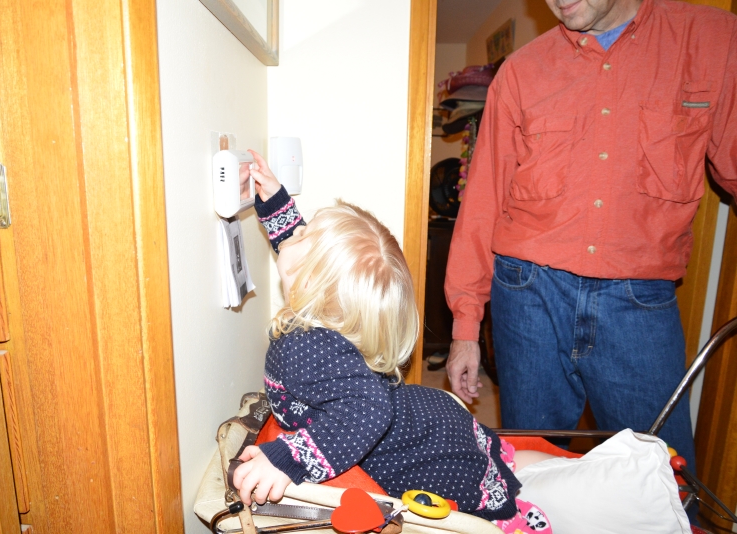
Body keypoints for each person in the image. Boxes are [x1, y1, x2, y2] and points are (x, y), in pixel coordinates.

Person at [444, 0, 737, 481]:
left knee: (661, 475)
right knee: (532, 470)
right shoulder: (521, 71)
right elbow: (482, 202)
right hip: (528, 295)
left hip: (638, 301)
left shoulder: (713, 41)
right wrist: (465, 328)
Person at [231, 150, 557, 528]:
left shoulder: (305, 346)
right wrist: (274, 200)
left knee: (508, 503)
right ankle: (575, 467)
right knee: (512, 462)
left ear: (308, 281)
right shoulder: (325, 308)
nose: (294, 232)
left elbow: (369, 409)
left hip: (423, 454)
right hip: (429, 418)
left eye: (303, 234)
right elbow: (297, 253)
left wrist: (286, 459)